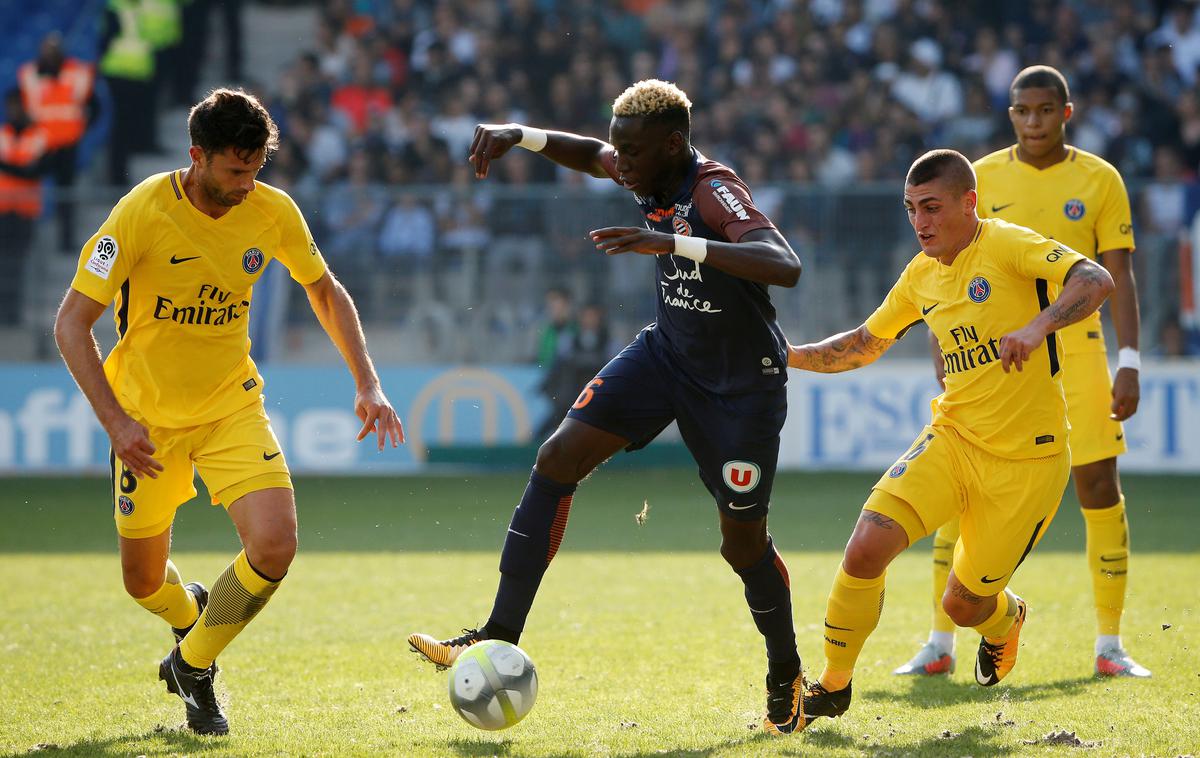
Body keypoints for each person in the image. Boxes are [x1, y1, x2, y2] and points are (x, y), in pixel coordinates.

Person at [408, 79, 808, 734]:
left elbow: (783, 264)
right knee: (558, 456)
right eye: (619, 147)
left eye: (634, 151)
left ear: (674, 144)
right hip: (667, 358)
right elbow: (590, 151)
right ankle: (494, 636)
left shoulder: (711, 187)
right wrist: (523, 135)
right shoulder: (641, 164)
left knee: (742, 546)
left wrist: (675, 244)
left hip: (741, 387)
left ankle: (785, 668)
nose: (620, 162)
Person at [53, 88, 404, 736]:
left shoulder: (272, 212)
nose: (248, 184)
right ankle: (190, 615)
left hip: (230, 408)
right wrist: (117, 422)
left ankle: (193, 664)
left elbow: (324, 290)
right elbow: (72, 324)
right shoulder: (141, 212)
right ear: (197, 157)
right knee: (141, 582)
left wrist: (368, 382)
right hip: (146, 425)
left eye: (257, 169)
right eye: (236, 171)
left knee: (276, 544)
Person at [790, 149, 1114, 728]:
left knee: (963, 606)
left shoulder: (1008, 244)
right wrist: (784, 356)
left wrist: (1039, 325)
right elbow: (865, 343)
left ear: (969, 203)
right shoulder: (920, 275)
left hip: (1027, 462)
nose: (920, 222)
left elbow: (1096, 277)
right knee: (866, 547)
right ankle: (832, 687)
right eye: (911, 209)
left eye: (932, 208)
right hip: (952, 438)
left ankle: (1006, 620)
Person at [895, 65, 1151, 680]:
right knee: (961, 488)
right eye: (1021, 110)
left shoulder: (1099, 178)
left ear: (1066, 112)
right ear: (1010, 114)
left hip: (1079, 344)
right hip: (992, 355)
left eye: (1044, 110)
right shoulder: (978, 176)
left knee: (1097, 486)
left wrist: (1130, 360)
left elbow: (1118, 272)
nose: (1032, 121)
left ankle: (1110, 645)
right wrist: (942, 351)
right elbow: (944, 275)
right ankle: (938, 642)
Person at [17, 32, 95, 252]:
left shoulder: (77, 74)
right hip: (39, 144)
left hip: (68, 145)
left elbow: (94, 107)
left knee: (65, 194)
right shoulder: (30, 75)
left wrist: (81, 129)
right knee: (29, 190)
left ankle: (65, 240)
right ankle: (29, 241)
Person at [0, 89, 50, 325]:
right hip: (3, 209)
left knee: (18, 263)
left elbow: (32, 171)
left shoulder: (38, 135)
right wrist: (16, 167)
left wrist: (7, 166)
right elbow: (25, 168)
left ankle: (12, 313)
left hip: (25, 210)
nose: (14, 111)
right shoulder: (4, 133)